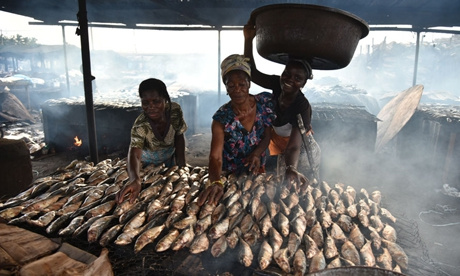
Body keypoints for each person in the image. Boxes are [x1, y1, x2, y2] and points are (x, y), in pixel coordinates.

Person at [243, 24, 321, 188]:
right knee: (283, 187)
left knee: (303, 189)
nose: (289, 80)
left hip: (303, 151)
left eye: (297, 78)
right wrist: (248, 39)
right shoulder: (277, 85)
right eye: (287, 73)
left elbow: (294, 146)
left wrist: (291, 167)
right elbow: (251, 72)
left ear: (303, 84)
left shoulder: (302, 106)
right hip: (284, 149)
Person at [197, 54, 275, 206]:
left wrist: (256, 154)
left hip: (257, 167)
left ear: (249, 84)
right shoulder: (221, 119)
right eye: (231, 85)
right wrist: (215, 181)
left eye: (242, 84)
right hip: (230, 173)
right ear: (226, 87)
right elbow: (215, 157)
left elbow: (267, 135)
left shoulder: (264, 103)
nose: (237, 90)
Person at [116, 78, 187, 204]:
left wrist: (181, 165)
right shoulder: (140, 126)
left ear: (165, 99)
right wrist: (135, 179)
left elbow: (179, 136)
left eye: (156, 101)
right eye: (146, 103)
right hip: (147, 165)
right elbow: (134, 154)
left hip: (169, 158)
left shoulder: (174, 111)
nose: (151, 107)